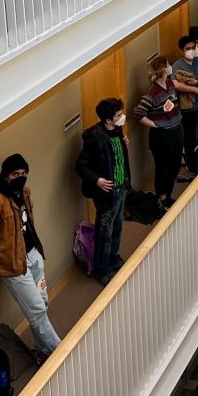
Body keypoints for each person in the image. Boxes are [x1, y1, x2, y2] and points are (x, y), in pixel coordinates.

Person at [0, 154, 62, 357]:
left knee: (42, 303)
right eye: (15, 174)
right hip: (13, 266)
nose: (20, 177)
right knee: (36, 309)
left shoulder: (24, 192)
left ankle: (42, 348)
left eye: (23, 173)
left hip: (33, 255)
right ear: (5, 176)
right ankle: (58, 351)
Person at [76, 98, 131, 285]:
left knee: (117, 227)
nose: (121, 117)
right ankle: (102, 269)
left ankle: (113, 258)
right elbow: (81, 166)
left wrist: (124, 144)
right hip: (106, 194)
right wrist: (97, 180)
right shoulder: (95, 139)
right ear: (108, 119)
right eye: (117, 115)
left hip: (120, 188)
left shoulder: (117, 131)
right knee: (104, 233)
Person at [133, 55, 187, 210]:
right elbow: (138, 113)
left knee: (175, 165)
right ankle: (161, 198)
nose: (171, 67)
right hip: (163, 136)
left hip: (177, 130)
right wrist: (155, 124)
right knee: (163, 167)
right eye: (168, 65)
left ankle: (168, 195)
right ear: (163, 69)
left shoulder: (170, 84)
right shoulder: (152, 93)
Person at [172, 34, 198, 169]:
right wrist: (194, 90)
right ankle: (192, 163)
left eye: (193, 47)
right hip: (187, 109)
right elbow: (176, 85)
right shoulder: (177, 65)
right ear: (182, 50)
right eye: (187, 48)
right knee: (189, 137)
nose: (191, 50)